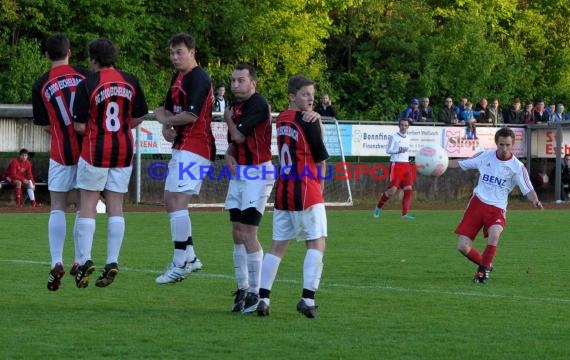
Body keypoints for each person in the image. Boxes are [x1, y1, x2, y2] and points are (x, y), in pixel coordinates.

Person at [72, 38, 148, 288]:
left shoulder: (88, 83)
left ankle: (84, 259)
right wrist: (121, 130)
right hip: (124, 150)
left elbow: (80, 125)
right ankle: (113, 261)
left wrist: (97, 131)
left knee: (88, 204)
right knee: (116, 205)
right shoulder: (131, 79)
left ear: (93, 59)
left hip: (96, 150)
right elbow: (138, 116)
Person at [257, 75, 328, 319]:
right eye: (305, 94)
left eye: (312, 95)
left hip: (283, 192)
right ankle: (307, 299)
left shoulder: (282, 119)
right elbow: (320, 159)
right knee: (316, 242)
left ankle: (263, 298)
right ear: (292, 96)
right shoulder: (309, 121)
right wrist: (321, 187)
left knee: (277, 246)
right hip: (306, 189)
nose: (310, 99)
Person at [153, 33, 214, 284]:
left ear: (192, 52)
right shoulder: (177, 77)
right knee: (171, 199)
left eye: (179, 52)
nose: (174, 57)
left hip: (197, 147)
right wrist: (165, 123)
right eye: (172, 52)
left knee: (177, 200)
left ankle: (181, 262)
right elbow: (162, 108)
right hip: (183, 145)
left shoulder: (199, 78)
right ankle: (190, 255)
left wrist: (167, 122)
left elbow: (191, 115)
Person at [31, 33, 90, 291]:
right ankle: (80, 259)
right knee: (83, 205)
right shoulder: (85, 75)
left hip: (60, 152)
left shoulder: (41, 84)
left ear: (46, 55)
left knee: (57, 205)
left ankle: (57, 261)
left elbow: (44, 125)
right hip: (87, 151)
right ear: (70, 52)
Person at [448, 127, 543, 284]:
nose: (504, 148)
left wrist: (535, 200)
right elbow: (460, 163)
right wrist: (441, 162)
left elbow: (528, 188)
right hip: (477, 204)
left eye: (507, 145)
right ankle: (486, 264)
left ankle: (482, 273)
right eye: (501, 144)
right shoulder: (485, 157)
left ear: (512, 145)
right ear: (496, 143)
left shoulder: (517, 167)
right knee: (462, 246)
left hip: (497, 208)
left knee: (495, 234)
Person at [224, 64, 275, 314]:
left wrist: (228, 120)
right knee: (236, 231)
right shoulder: (237, 107)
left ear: (253, 83)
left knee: (248, 233)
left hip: (258, 171)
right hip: (240, 172)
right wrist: (228, 154)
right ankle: (243, 288)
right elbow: (234, 142)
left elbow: (241, 136)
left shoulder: (257, 103)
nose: (235, 85)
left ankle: (256, 293)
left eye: (240, 80)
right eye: (233, 81)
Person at [373, 117, 416, 219]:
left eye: (406, 125)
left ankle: (404, 214)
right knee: (392, 190)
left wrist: (410, 159)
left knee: (408, 189)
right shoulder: (394, 137)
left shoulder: (409, 138)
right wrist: (398, 151)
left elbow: (406, 151)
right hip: (396, 165)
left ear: (408, 127)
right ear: (399, 126)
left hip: (406, 165)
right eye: (402, 125)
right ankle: (378, 207)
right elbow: (388, 150)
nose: (403, 127)